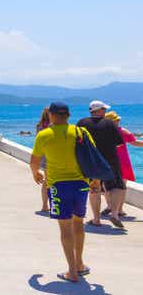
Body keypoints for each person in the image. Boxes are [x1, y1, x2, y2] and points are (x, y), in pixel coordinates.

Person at [30, 102, 98, 283]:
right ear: (68, 115)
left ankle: (71, 271)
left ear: (51, 115)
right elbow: (94, 157)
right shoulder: (80, 132)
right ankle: (80, 264)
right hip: (81, 185)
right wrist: (96, 180)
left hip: (59, 186)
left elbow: (34, 160)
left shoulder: (44, 135)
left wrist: (35, 173)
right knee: (78, 224)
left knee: (65, 228)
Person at [77, 100, 125, 229]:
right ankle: (114, 214)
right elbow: (119, 142)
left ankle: (96, 219)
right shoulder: (109, 123)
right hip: (110, 160)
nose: (105, 112)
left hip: (90, 161)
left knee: (94, 188)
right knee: (117, 187)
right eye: (104, 109)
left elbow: (77, 142)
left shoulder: (82, 123)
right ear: (98, 110)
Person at [104, 111, 143, 218]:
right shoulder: (122, 131)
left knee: (108, 187)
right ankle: (119, 210)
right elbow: (135, 143)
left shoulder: (103, 132)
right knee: (121, 187)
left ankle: (110, 207)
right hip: (122, 162)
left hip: (107, 162)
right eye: (116, 120)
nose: (118, 121)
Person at [36, 107, 51, 212]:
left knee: (46, 180)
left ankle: (44, 205)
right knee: (53, 181)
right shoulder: (53, 125)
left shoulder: (39, 126)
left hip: (43, 155)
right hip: (52, 155)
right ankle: (53, 204)